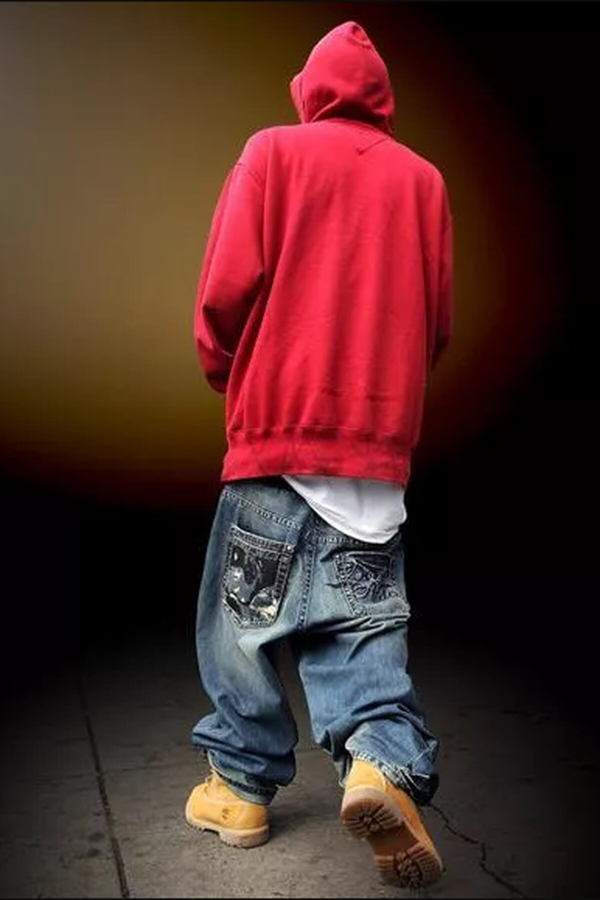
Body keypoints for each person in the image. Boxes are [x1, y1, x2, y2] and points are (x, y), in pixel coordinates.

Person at [185, 20, 453, 890]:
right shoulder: (424, 181)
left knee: (239, 629)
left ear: (310, 90)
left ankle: (239, 788)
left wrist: (231, 375)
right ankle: (379, 763)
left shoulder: (272, 152)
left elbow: (226, 292)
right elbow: (435, 322)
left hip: (277, 438)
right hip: (374, 462)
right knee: (362, 631)